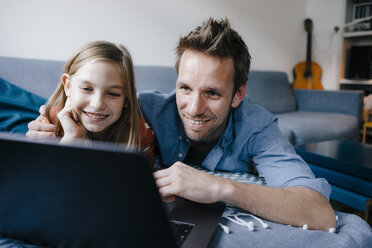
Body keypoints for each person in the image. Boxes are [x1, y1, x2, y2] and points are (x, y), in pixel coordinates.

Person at [28, 19, 335, 231]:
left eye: (213, 93)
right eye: (185, 88)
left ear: (238, 94)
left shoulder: (258, 127)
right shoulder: (145, 107)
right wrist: (56, 132)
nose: (194, 108)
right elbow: (84, 111)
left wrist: (218, 187)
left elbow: (320, 212)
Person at [33, 41, 154, 163]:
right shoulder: (52, 123)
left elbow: (142, 180)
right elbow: (44, 177)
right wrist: (71, 138)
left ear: (127, 98)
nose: (97, 104)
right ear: (68, 87)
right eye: (86, 89)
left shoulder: (139, 133)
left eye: (112, 93)